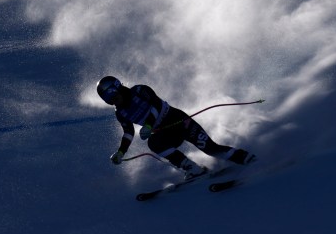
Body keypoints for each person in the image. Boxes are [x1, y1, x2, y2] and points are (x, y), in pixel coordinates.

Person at [96, 76, 256, 179]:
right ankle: (192, 168)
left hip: (178, 121)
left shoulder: (139, 90)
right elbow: (128, 132)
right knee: (154, 143)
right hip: (165, 133)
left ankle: (244, 158)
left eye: (111, 95)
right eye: (107, 100)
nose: (112, 101)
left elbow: (156, 105)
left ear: (117, 87)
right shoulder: (121, 112)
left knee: (209, 149)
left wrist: (149, 124)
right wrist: (121, 152)